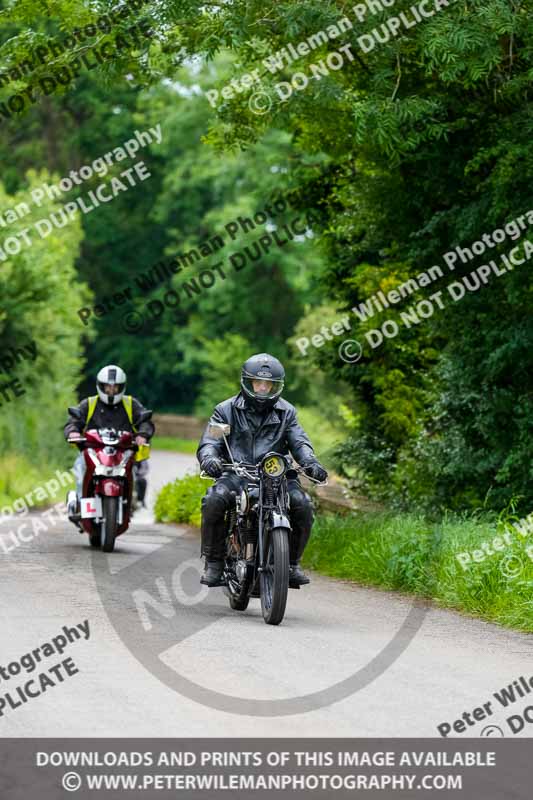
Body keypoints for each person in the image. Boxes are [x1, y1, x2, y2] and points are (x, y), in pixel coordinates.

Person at [197, 353, 328, 587]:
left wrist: (311, 462)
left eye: (268, 384)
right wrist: (210, 458)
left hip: (276, 477)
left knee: (302, 504)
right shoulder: (225, 410)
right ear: (248, 382)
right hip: (236, 474)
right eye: (258, 383)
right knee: (214, 500)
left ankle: (291, 563)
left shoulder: (287, 413)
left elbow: (299, 442)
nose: (263, 388)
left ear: (276, 386)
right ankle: (214, 562)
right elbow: (211, 440)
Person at [63, 364, 155, 524]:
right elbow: (74, 420)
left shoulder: (131, 404)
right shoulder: (89, 404)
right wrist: (73, 432)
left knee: (137, 471)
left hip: (122, 452)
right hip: (93, 451)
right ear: (100, 386)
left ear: (121, 387)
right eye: (107, 387)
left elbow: (144, 420)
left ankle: (133, 502)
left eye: (115, 387)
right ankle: (79, 504)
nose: (111, 391)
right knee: (80, 470)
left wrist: (143, 434)